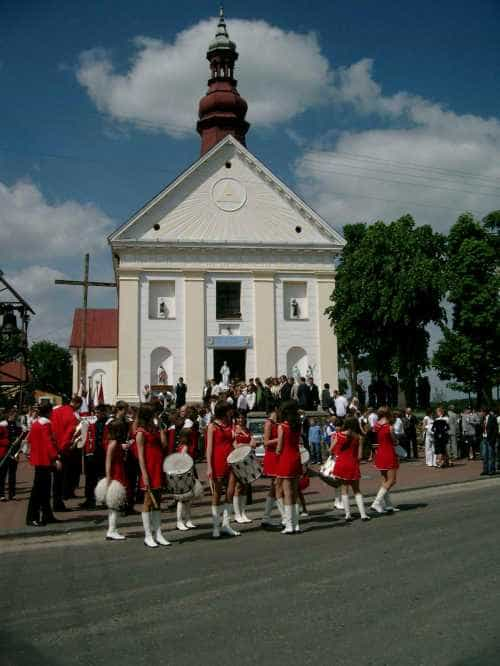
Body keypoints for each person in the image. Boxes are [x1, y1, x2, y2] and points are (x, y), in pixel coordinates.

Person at [136, 404, 170, 548]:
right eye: (153, 414)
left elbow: (164, 445)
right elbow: (140, 455)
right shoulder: (141, 432)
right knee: (148, 502)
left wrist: (161, 427)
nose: (155, 415)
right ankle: (148, 535)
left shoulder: (155, 429)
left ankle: (158, 533)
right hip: (149, 469)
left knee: (158, 500)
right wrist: (144, 474)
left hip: (158, 467)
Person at [206, 402, 240, 538]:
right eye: (229, 410)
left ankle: (226, 524)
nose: (231, 412)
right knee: (217, 494)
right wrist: (209, 466)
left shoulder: (230, 425)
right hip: (218, 461)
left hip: (231, 460)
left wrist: (240, 450)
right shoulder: (212, 426)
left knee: (230, 492)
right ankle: (215, 526)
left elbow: (233, 442)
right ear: (224, 411)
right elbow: (209, 448)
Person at [25, 403, 61, 526]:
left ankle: (47, 515)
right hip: (44, 460)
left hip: (39, 459)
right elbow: (48, 442)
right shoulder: (45, 424)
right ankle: (32, 517)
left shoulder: (36, 423)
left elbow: (30, 440)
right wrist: (55, 457)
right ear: (49, 412)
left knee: (44, 490)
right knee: (39, 491)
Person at [331, 417, 370, 522]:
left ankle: (348, 515)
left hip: (341, 463)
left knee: (344, 489)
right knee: (357, 490)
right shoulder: (359, 437)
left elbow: (331, 449)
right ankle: (363, 514)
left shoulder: (338, 435)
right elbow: (360, 456)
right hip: (352, 464)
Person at [275, 400, 302, 534]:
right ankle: (296, 524)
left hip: (285, 458)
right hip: (296, 457)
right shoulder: (298, 425)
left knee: (287, 492)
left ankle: (289, 525)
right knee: (295, 492)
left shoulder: (282, 426)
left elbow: (279, 446)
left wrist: (276, 453)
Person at [50, 395, 81, 511]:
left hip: (54, 447)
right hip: (63, 450)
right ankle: (58, 503)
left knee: (55, 479)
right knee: (60, 478)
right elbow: (69, 435)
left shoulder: (56, 411)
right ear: (77, 404)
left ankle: (56, 502)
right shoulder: (72, 417)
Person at [104, 417, 129, 540]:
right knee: (114, 506)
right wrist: (109, 480)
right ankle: (111, 530)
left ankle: (112, 529)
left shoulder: (115, 443)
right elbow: (108, 462)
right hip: (116, 475)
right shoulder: (113, 443)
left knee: (115, 505)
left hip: (118, 473)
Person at [371, 406, 400, 514]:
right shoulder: (389, 427)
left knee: (385, 480)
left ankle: (388, 506)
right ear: (388, 414)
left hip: (380, 453)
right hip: (388, 453)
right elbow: (394, 441)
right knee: (392, 480)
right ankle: (376, 502)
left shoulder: (376, 426)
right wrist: (396, 440)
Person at [81, 404, 108, 509]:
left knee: (101, 478)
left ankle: (102, 499)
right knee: (90, 478)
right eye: (95, 413)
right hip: (93, 453)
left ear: (103, 412)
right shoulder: (95, 423)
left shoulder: (106, 423)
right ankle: (89, 499)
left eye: (98, 413)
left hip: (102, 454)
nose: (96, 415)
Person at [261, 408, 284, 527]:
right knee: (277, 485)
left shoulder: (278, 423)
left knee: (274, 487)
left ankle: (266, 516)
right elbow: (265, 442)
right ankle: (284, 516)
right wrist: (280, 438)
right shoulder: (269, 423)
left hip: (277, 456)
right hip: (271, 456)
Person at [232, 411, 256, 524]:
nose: (240, 420)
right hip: (237, 460)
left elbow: (253, 444)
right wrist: (246, 445)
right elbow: (235, 445)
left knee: (245, 486)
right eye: (239, 418)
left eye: (242, 418)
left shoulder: (247, 430)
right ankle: (237, 514)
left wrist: (244, 445)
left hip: (247, 459)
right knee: (238, 487)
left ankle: (243, 512)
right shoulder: (233, 429)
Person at [0, 408, 21, 501]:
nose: (15, 417)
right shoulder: (2, 425)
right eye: (13, 415)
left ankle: (12, 494)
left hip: (14, 452)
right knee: (2, 474)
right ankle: (1, 494)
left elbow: (21, 437)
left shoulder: (18, 425)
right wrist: (8, 442)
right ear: (9, 415)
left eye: (16, 415)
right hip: (4, 452)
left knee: (13, 474)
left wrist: (18, 441)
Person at [479, 407, 498, 476]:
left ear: (485, 412)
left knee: (490, 455)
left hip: (490, 439)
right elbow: (481, 428)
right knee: (484, 455)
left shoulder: (492, 418)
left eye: (481, 412)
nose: (481, 413)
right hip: (484, 438)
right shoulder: (483, 418)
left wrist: (493, 439)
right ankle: (485, 470)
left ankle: (491, 470)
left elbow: (495, 429)